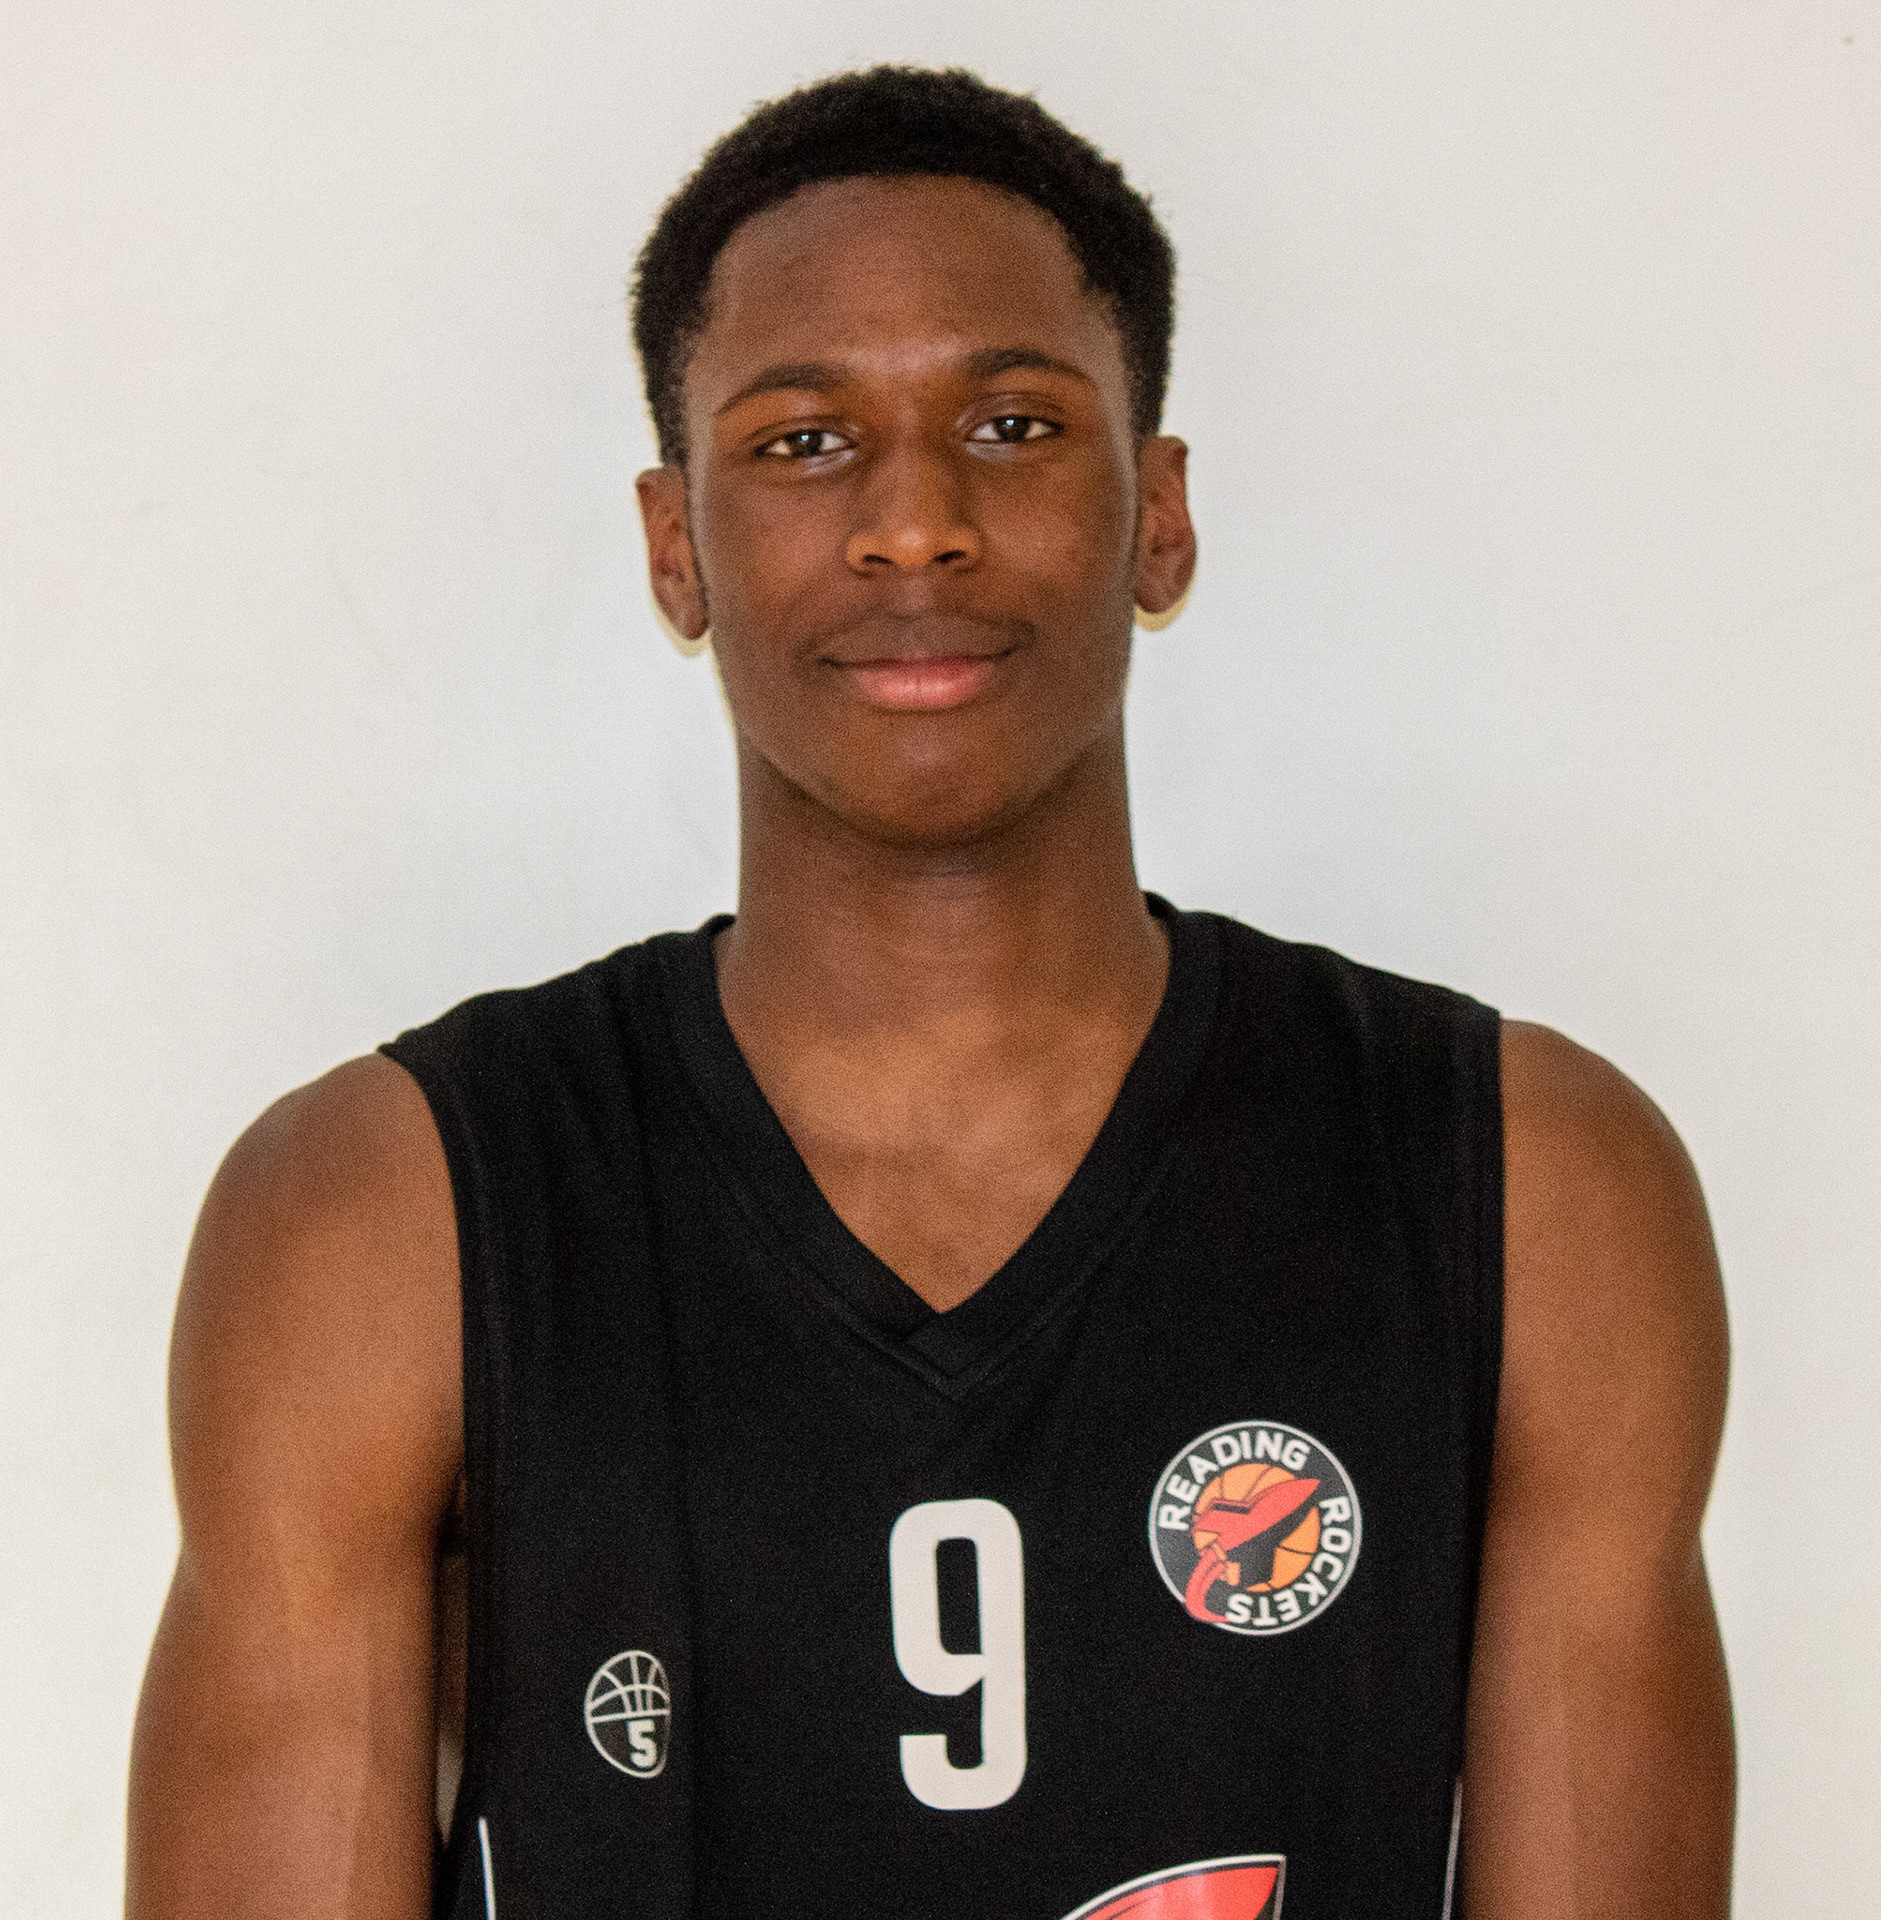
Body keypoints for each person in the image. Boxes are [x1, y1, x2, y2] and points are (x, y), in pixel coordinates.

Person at [126, 66, 1734, 1920]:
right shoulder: (380, 1218)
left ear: (1158, 515)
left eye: (1013, 424)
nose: (914, 524)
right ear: (676, 547)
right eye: (806, 441)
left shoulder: (1530, 1187)